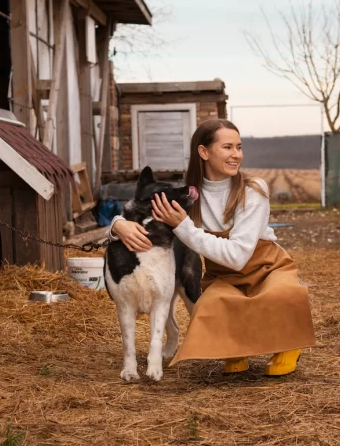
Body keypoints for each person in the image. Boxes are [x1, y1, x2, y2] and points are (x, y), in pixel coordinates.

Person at [108, 118, 316, 376]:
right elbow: (140, 210)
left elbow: (238, 257)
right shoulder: (192, 196)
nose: (236, 155)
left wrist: (183, 225)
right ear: (204, 152)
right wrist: (117, 225)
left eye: (239, 147)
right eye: (227, 147)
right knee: (209, 306)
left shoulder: (253, 190)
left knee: (283, 296)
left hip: (266, 269)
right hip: (225, 277)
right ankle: (236, 347)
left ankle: (287, 345)